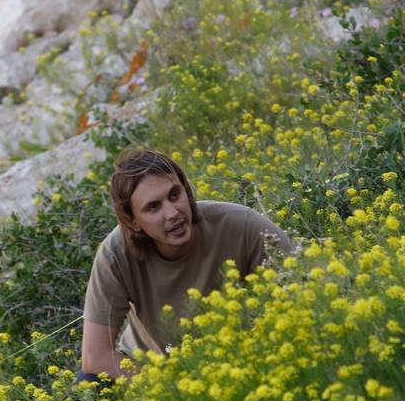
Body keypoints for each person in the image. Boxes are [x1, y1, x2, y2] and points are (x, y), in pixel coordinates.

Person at [77, 149, 295, 385]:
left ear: (186, 190)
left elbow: (302, 290)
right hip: (154, 372)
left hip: (236, 355)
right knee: (90, 384)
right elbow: (95, 356)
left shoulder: (241, 225)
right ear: (133, 221)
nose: (172, 213)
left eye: (174, 195)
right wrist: (173, 389)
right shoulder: (115, 256)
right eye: (153, 207)